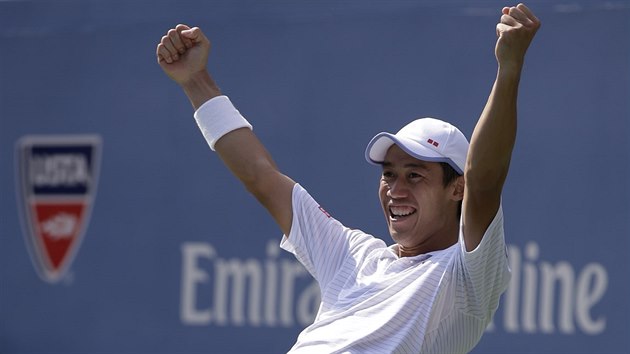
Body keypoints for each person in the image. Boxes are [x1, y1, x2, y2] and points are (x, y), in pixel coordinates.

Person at [156, 3, 540, 353]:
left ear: (457, 189)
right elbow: (261, 176)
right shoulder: (353, 254)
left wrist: (509, 70)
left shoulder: (467, 277)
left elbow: (485, 178)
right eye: (388, 174)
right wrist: (196, 81)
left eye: (415, 175)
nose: (396, 189)